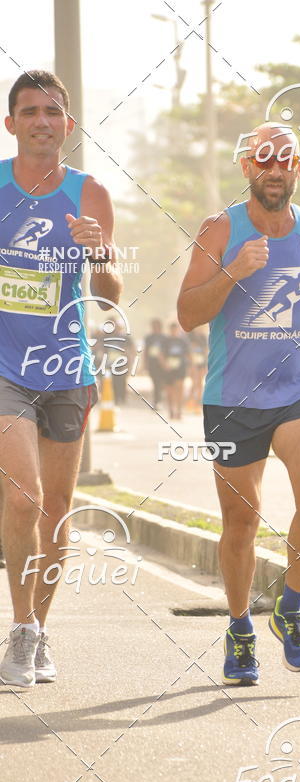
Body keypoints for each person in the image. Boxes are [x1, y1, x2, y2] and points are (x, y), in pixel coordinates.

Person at [177, 121, 300, 685]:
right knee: (240, 521)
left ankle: (290, 608)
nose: (275, 170)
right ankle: (239, 628)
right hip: (234, 395)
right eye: (264, 160)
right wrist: (233, 271)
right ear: (247, 167)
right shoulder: (219, 229)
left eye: (285, 161)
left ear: (298, 168)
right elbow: (187, 313)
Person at [0, 71, 122, 688]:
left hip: (66, 369)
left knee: (57, 514)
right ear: (11, 123)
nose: (42, 121)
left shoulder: (90, 193)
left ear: (67, 126)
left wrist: (99, 255)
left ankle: (38, 630)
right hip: (4, 369)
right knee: (24, 498)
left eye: (52, 111)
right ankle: (20, 628)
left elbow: (110, 296)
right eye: (30, 111)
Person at [163, 321, 189, 420]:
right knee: (169, 391)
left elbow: (188, 354)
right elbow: (161, 354)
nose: (174, 331)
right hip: (169, 368)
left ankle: (179, 411)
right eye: (172, 329)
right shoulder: (166, 341)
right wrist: (165, 364)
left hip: (180, 368)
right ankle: (171, 410)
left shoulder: (183, 341)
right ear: (170, 330)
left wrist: (191, 366)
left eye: (176, 329)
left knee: (179, 389)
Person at [144, 317, 166, 409]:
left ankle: (159, 400)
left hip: (161, 363)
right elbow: (146, 351)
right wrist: (145, 363)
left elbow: (166, 350)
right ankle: (157, 400)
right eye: (154, 326)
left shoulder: (164, 338)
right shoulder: (149, 338)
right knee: (155, 382)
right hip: (152, 363)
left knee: (161, 382)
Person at [186, 325, 208, 413]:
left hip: (201, 362)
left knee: (200, 383)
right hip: (192, 363)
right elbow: (189, 350)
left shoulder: (203, 337)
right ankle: (190, 402)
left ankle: (198, 403)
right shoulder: (190, 336)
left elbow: (205, 350)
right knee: (194, 383)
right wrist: (191, 362)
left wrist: (206, 360)